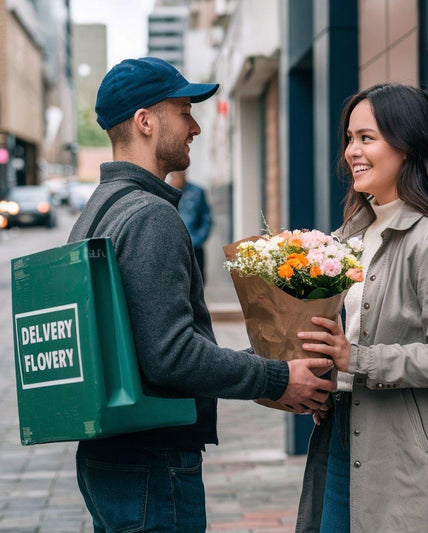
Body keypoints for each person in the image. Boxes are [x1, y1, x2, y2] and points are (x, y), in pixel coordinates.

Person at [68, 57, 336, 533]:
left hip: (111, 457)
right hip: (153, 462)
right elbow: (170, 355)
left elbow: (143, 341)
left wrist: (262, 357)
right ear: (145, 121)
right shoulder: (151, 216)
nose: (195, 127)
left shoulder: (95, 212)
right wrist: (276, 377)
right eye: (184, 111)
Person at [296, 83, 428, 532]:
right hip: (339, 427)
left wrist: (354, 359)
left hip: (402, 448)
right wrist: (327, 377)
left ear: (408, 145)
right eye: (349, 138)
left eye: (367, 138)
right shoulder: (350, 234)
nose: (351, 151)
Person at [167, 171, 211, 280]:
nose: (175, 180)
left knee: (199, 280)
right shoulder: (167, 192)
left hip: (194, 246)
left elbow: (206, 218)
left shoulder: (197, 192)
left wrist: (198, 239)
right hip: (175, 247)